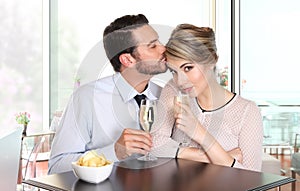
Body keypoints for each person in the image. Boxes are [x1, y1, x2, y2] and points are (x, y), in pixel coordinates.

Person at [48, 14, 168, 174]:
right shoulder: (87, 98)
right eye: (152, 46)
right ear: (128, 60)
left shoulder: (164, 96)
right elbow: (56, 167)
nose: (164, 48)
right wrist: (113, 152)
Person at [152, 24, 263, 171]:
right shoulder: (173, 90)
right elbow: (154, 145)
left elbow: (251, 179)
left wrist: (200, 133)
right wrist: (216, 157)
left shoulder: (247, 111)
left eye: (188, 68)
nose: (180, 81)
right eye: (174, 71)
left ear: (211, 60)